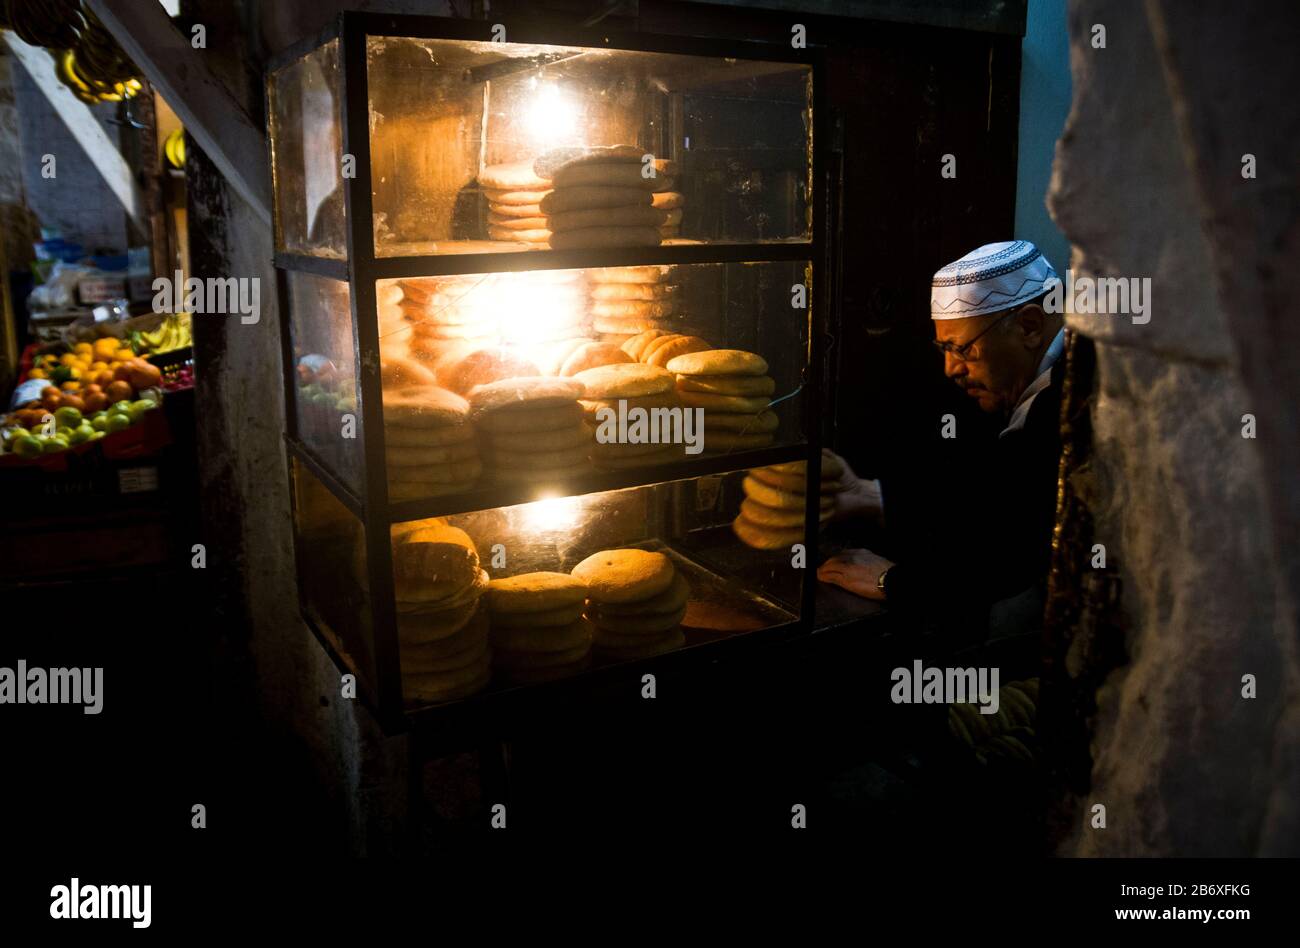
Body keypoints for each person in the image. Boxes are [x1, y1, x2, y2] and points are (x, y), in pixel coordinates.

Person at [818, 240, 1066, 639]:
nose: (951, 369)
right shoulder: (1029, 387)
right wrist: (867, 496)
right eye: (943, 348)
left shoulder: (1068, 405)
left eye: (961, 349)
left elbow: (1012, 551)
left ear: (1030, 326)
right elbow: (987, 500)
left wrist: (894, 583)